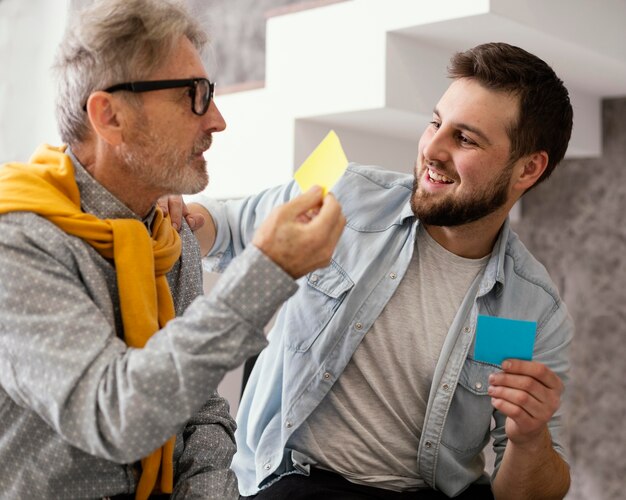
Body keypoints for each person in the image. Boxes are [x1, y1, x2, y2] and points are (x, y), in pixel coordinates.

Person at [183, 42, 574, 499]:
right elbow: (227, 226)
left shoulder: (530, 310)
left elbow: (525, 492)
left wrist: (530, 439)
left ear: (528, 168)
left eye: (465, 138)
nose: (434, 148)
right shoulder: (342, 188)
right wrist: (186, 219)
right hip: (300, 480)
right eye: (435, 123)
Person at [0, 0, 345, 499]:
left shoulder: (167, 233)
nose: (217, 120)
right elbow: (115, 414)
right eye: (193, 96)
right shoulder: (20, 242)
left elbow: (199, 407)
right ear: (110, 115)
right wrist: (268, 269)